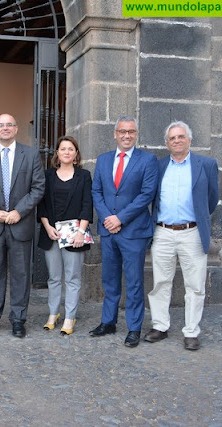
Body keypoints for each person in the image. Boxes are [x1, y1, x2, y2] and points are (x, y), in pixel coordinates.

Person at [144, 121, 219, 351]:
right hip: (163, 231)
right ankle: (160, 326)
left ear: (189, 139)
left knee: (195, 285)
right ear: (166, 143)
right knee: (160, 282)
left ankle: (191, 332)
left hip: (192, 232)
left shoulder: (206, 164)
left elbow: (212, 199)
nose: (176, 141)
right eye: (172, 138)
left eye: (180, 136)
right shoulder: (159, 166)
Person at [0, 113, 45, 338]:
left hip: (20, 224)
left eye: (10, 125)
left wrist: (19, 212)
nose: (5, 128)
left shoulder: (31, 154)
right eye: (1, 125)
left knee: (21, 274)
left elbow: (38, 187)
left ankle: (18, 319)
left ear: (16, 129)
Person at [90, 116, 158, 348]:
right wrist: (109, 219)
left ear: (136, 134)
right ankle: (108, 322)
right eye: (122, 131)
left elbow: (146, 195)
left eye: (131, 132)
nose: (126, 135)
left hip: (133, 232)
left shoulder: (148, 160)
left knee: (134, 281)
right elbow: (96, 191)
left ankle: (134, 327)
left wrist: (120, 218)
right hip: (109, 232)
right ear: (115, 134)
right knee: (109, 280)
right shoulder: (103, 160)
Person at [37, 136, 93, 335]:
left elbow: (87, 204)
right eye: (63, 149)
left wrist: (81, 232)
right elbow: (41, 204)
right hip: (51, 233)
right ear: (57, 154)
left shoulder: (84, 176)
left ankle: (69, 317)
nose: (67, 152)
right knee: (53, 278)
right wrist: (47, 226)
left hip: (74, 235)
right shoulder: (47, 176)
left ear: (76, 154)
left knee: (72, 277)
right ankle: (53, 314)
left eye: (71, 149)